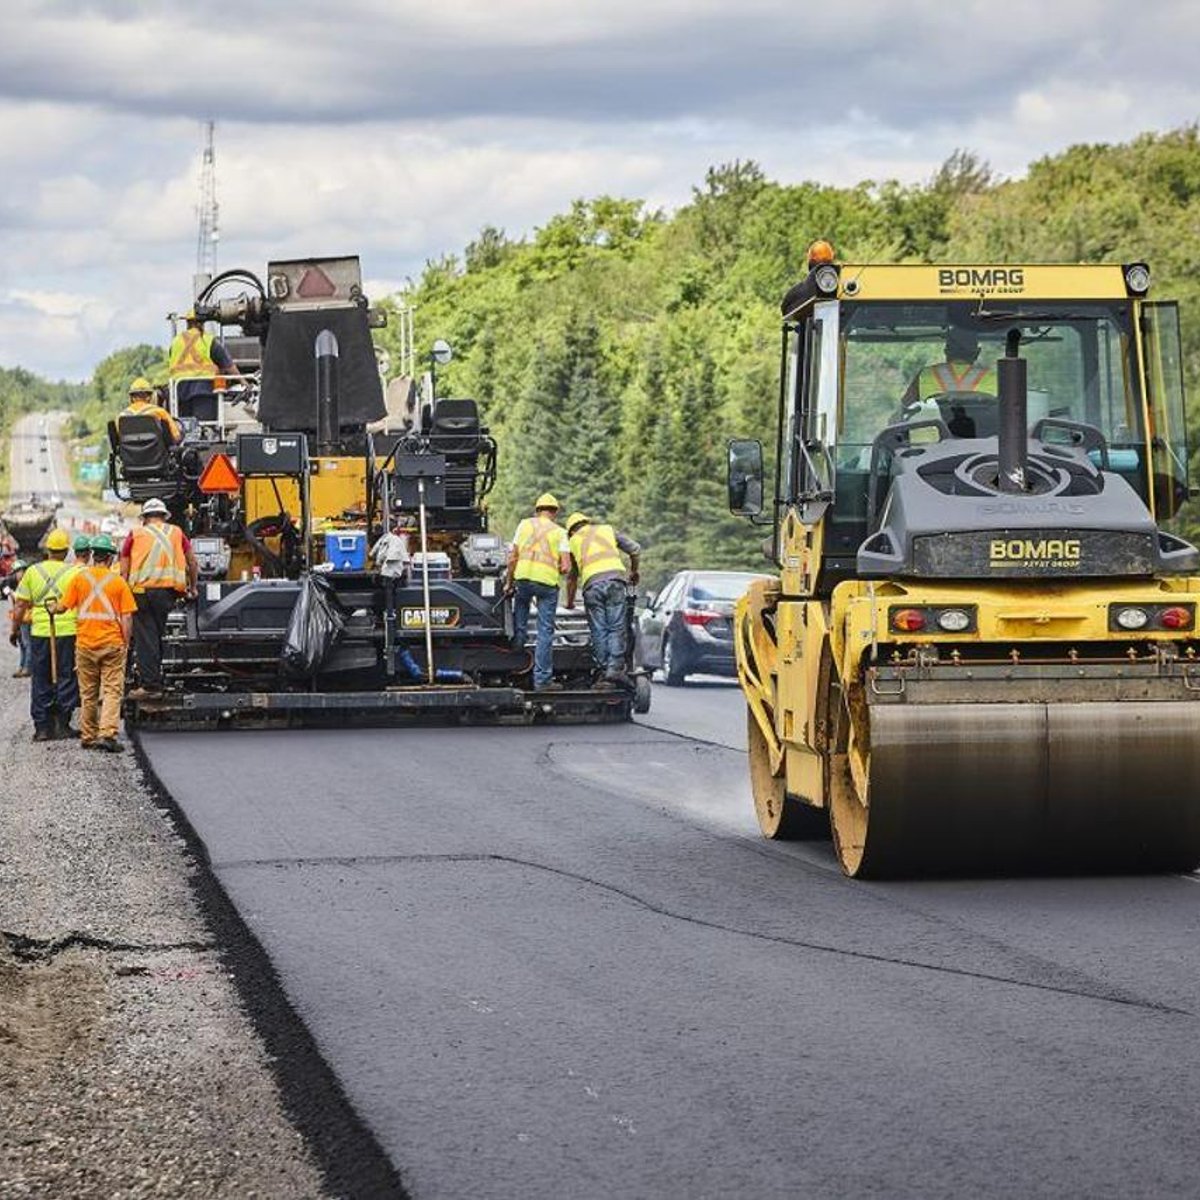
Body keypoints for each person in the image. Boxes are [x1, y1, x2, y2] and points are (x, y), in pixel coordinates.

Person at [55, 534, 136, 753]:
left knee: (88, 693)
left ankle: (88, 735)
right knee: (111, 690)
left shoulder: (80, 579)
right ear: (110, 558)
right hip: (111, 643)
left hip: (85, 644)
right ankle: (107, 735)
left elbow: (62, 607)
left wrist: (52, 608)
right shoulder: (118, 582)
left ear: (92, 555)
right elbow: (127, 617)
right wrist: (125, 643)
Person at [119, 498, 198, 698]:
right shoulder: (177, 533)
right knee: (159, 634)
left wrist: (123, 590)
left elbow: (124, 566)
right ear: (164, 516)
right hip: (167, 593)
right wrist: (193, 587)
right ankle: (158, 676)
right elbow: (192, 562)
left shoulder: (136, 534)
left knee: (147, 638)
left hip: (141, 593)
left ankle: (151, 685)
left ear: (144, 518)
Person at [10, 529, 79, 739]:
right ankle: (63, 724)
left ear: (47, 549)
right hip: (68, 631)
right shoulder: (74, 572)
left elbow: (21, 604)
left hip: (40, 632)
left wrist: (14, 631)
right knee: (66, 675)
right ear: (66, 551)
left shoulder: (32, 572)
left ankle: (42, 727)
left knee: (41, 678)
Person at [564, 512, 641, 691]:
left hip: (592, 586)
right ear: (587, 522)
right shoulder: (607, 530)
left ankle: (604, 669)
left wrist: (569, 603)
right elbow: (635, 549)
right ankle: (614, 669)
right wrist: (634, 572)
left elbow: (571, 578)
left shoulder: (573, 542)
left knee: (599, 630)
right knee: (616, 627)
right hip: (615, 581)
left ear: (571, 531)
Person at [504, 493, 571, 692]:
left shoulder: (524, 525)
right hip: (547, 585)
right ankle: (542, 681)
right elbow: (566, 567)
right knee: (544, 632)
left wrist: (509, 583)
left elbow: (512, 558)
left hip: (523, 579)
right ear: (555, 512)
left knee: (521, 612)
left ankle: (517, 646)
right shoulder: (560, 532)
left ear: (537, 510)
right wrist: (556, 567)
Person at [902, 328, 998, 409]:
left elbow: (905, 409)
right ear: (977, 353)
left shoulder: (925, 375)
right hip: (984, 431)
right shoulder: (995, 378)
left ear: (946, 351)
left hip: (934, 431)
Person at [167, 309, 238, 410]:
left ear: (188, 323)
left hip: (179, 391)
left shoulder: (176, 342)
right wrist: (245, 383)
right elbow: (229, 366)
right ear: (201, 323)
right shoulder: (208, 340)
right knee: (204, 424)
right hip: (203, 390)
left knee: (184, 424)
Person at [122, 376, 181, 444]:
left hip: (129, 454)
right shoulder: (160, 413)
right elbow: (177, 436)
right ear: (150, 397)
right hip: (157, 454)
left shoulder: (122, 416)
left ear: (132, 398)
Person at [5, 559, 32, 678]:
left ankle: (27, 667)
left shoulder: (27, 584)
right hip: (19, 619)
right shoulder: (17, 585)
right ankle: (22, 666)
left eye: (18, 572)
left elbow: (25, 601)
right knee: (21, 643)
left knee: (27, 643)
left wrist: (12, 593)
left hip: (26, 618)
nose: (17, 575)